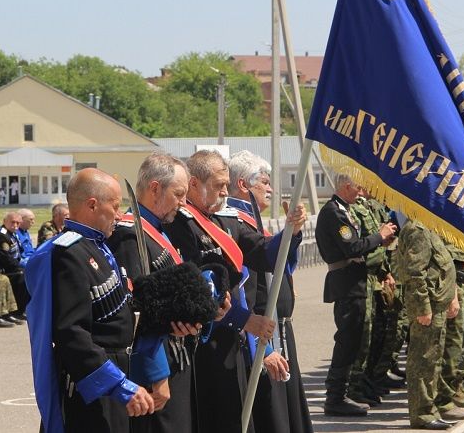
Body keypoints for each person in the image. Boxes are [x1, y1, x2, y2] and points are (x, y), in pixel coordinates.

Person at [164, 149, 306, 433]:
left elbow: (264, 254)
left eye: (227, 185)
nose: (225, 192)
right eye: (219, 185)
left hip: (233, 343)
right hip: (203, 344)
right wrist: (244, 320)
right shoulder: (180, 224)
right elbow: (199, 289)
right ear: (194, 184)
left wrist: (291, 230)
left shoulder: (226, 220)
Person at [26, 168, 155, 433]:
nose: (119, 215)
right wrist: (116, 383)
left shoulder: (96, 245)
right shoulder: (69, 254)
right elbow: (71, 332)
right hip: (91, 383)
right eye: (115, 206)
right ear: (92, 205)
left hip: (114, 371)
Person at [107, 152, 206, 433]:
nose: (183, 202)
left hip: (177, 354)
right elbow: (140, 311)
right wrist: (157, 373)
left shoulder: (160, 229)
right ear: (154, 188)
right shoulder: (130, 236)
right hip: (156, 364)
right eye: (178, 194)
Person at [226, 150, 314, 433]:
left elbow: (281, 267)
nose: (271, 189)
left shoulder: (253, 223)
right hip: (263, 336)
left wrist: (293, 231)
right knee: (271, 419)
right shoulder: (234, 225)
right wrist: (262, 348)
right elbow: (244, 293)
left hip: (280, 330)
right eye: (264, 182)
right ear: (243, 184)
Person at [315, 172, 397, 417]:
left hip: (354, 281)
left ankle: (342, 394)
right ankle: (335, 397)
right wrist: (379, 236)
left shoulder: (344, 209)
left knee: (353, 340)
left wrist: (379, 241)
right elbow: (352, 247)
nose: (361, 192)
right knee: (347, 341)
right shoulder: (334, 212)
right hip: (347, 283)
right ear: (345, 186)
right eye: (357, 187)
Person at [396, 217, 459, 430]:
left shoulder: (430, 226)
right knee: (422, 361)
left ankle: (430, 410)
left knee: (433, 360)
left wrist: (452, 296)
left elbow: (443, 266)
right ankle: (422, 414)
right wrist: (423, 308)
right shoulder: (417, 230)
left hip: (438, 302)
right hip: (429, 306)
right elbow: (415, 273)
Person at [0, 211, 29, 319]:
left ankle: (26, 307)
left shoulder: (13, 233)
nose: (15, 225)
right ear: (5, 221)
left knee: (29, 272)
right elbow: (6, 260)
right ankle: (18, 311)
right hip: (1, 269)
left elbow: (18, 253)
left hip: (11, 266)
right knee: (21, 275)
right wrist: (21, 267)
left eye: (18, 223)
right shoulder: (2, 236)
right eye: (12, 222)